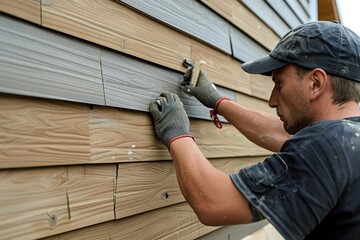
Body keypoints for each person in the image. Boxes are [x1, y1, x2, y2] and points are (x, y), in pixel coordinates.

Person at [149, 21, 360, 239]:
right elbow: (284, 135)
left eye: (279, 84)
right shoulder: (347, 140)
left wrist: (178, 135)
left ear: (315, 83)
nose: (271, 100)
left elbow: (213, 201)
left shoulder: (323, 149)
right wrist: (216, 100)